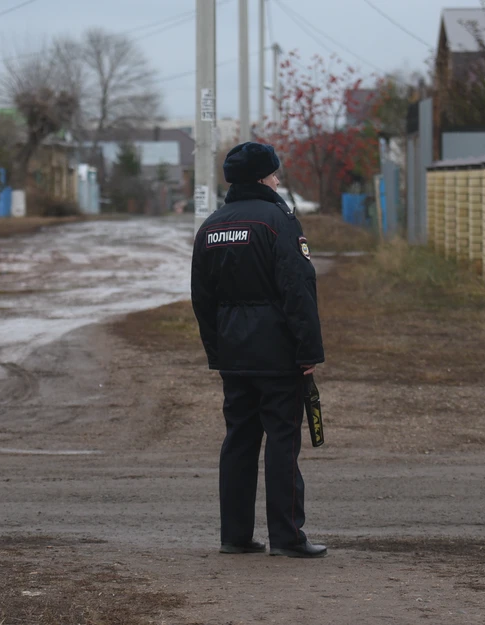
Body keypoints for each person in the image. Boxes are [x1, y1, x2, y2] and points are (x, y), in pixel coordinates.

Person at [190, 142, 327, 558]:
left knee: (239, 441)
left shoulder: (211, 226)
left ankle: (235, 535)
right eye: (274, 173)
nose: (279, 180)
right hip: (278, 353)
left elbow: (202, 298)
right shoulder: (278, 221)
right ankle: (287, 538)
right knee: (283, 441)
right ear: (261, 178)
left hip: (235, 354)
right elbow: (297, 289)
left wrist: (218, 350)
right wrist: (309, 352)